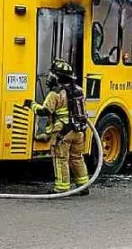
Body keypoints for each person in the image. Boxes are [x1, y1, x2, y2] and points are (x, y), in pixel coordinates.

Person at [24, 59, 90, 195]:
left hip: (63, 132)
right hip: (79, 131)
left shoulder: (55, 93)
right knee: (77, 157)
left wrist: (31, 104)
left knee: (61, 159)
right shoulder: (79, 90)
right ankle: (83, 185)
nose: (50, 77)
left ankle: (62, 187)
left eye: (53, 75)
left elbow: (44, 111)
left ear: (58, 77)